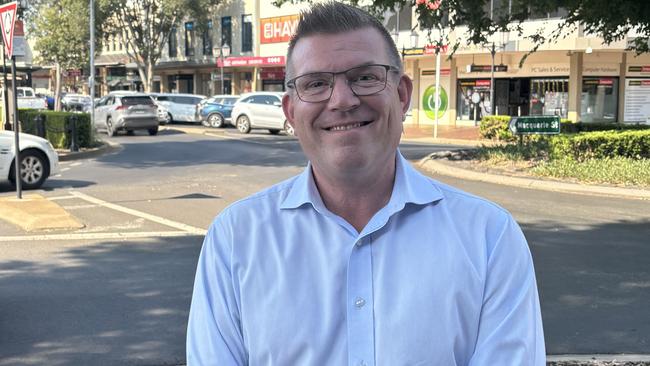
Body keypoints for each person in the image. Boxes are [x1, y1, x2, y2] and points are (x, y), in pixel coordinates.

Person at [186, 2, 545, 365]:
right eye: (315, 84)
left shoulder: (488, 238)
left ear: (402, 95)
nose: (342, 100)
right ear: (291, 112)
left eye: (365, 77)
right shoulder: (235, 239)